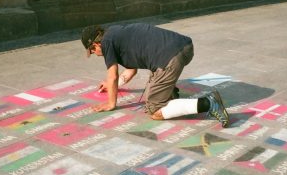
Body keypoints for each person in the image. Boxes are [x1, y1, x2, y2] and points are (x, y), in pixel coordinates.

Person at [80, 23, 229, 127]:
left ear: (95, 44)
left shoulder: (106, 43)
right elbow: (131, 70)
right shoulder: (115, 33)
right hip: (184, 47)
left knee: (154, 110)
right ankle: (170, 93)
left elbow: (112, 75)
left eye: (92, 51)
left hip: (169, 58)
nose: (95, 54)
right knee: (154, 90)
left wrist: (111, 104)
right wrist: (112, 86)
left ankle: (209, 103)